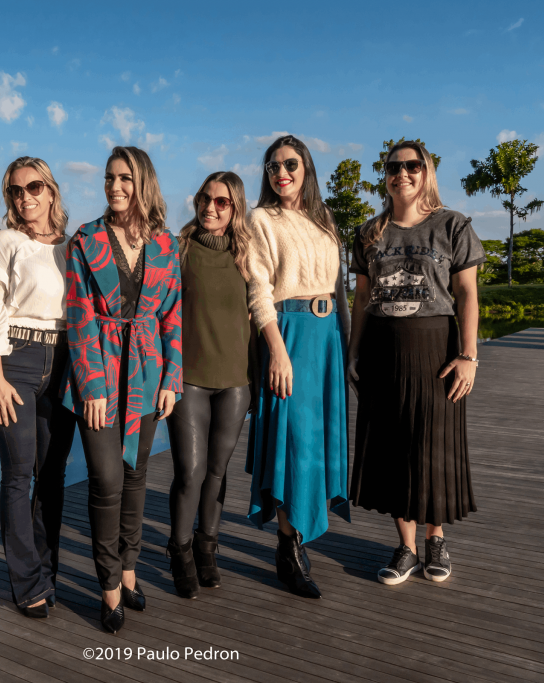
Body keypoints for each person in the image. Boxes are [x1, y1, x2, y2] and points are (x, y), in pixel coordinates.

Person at [348, 140, 483, 585]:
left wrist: (468, 355)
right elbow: (362, 298)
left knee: (432, 446)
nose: (401, 174)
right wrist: (353, 351)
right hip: (382, 348)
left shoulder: (452, 225)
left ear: (426, 172)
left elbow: (466, 293)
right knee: (391, 448)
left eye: (411, 166)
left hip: (436, 350)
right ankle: (406, 548)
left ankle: (435, 540)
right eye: (393, 167)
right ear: (385, 175)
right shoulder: (369, 232)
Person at [62, 146, 182, 633]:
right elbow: (77, 315)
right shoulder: (85, 239)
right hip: (100, 371)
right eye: (110, 177)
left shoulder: (167, 244)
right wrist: (91, 385)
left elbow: (172, 315)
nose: (115, 186)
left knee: (136, 475)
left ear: (143, 183)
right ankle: (109, 586)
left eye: (125, 178)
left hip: (148, 371)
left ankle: (130, 571)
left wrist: (172, 378)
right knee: (107, 479)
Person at [243, 134, 351, 599]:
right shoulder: (261, 219)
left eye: (290, 163)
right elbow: (258, 288)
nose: (281, 172)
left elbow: (338, 288)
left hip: (326, 338)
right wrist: (276, 349)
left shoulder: (324, 218)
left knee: (318, 440)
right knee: (296, 442)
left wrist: (348, 346)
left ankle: (297, 538)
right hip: (289, 333)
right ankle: (288, 546)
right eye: (273, 166)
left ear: (306, 167)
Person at [0, 157, 76, 619]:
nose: (24, 197)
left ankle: (47, 571)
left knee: (52, 475)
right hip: (16, 358)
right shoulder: (6, 242)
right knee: (18, 473)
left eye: (34, 187)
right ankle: (27, 583)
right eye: (15, 190)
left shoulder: (74, 247)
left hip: (64, 359)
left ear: (51, 191)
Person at [166, 171, 253, 599]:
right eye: (205, 198)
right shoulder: (179, 249)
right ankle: (179, 550)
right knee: (191, 472)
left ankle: (207, 548)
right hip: (188, 380)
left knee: (217, 472)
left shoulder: (248, 255)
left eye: (221, 202)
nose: (210, 207)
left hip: (236, 381)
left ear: (235, 208)